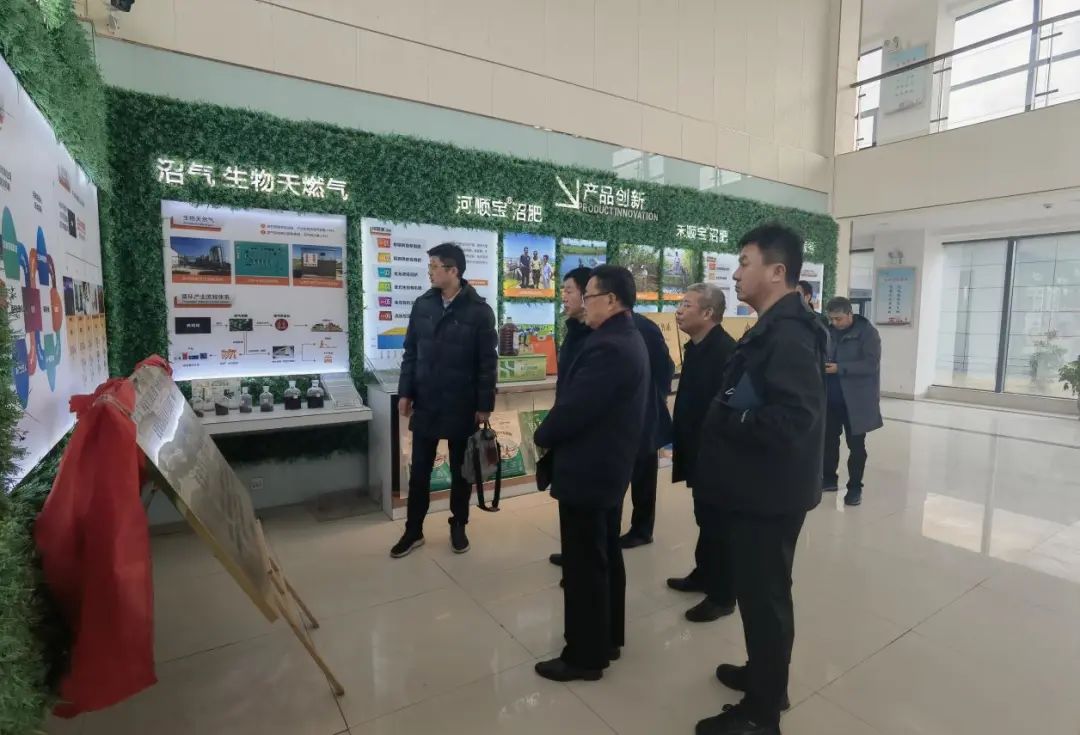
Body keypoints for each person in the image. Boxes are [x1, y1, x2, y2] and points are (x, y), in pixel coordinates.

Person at [695, 225, 826, 735]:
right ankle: (765, 677)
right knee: (758, 593)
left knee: (766, 597)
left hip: (770, 494)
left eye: (745, 262)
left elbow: (796, 418)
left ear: (777, 271)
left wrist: (734, 420)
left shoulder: (789, 333)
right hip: (759, 487)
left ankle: (761, 713)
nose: (735, 273)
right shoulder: (774, 325)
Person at [533, 265, 648, 683]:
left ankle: (584, 656)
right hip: (607, 467)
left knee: (584, 566)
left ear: (611, 300)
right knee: (604, 556)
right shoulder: (625, 336)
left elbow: (575, 409)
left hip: (589, 470)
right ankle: (607, 639)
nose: (583, 303)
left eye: (589, 296)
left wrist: (542, 435)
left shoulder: (608, 347)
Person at [391, 243, 497, 558]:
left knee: (461, 471)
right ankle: (413, 530)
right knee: (419, 472)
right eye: (430, 267)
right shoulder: (423, 305)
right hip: (427, 401)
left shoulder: (479, 311)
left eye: (434, 266)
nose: (430, 272)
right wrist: (405, 392)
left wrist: (484, 405)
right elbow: (410, 352)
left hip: (462, 403)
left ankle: (458, 524)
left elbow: (487, 364)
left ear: (453, 270)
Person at [666, 283, 738, 623]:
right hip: (697, 449)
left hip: (718, 455)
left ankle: (723, 596)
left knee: (718, 523)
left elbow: (728, 410)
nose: (679, 311)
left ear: (708, 313)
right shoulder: (696, 347)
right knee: (704, 517)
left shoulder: (726, 352)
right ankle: (704, 573)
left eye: (687, 305)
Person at [548, 267, 594, 571]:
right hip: (568, 432)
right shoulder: (574, 331)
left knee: (584, 507)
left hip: (585, 437)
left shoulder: (597, 338)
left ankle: (581, 565)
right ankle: (572, 555)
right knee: (568, 502)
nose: (563, 296)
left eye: (568, 291)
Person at [620, 310, 674, 548]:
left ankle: (642, 529)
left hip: (643, 413)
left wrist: (655, 396)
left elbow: (665, 366)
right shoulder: (599, 326)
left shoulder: (643, 327)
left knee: (643, 475)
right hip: (617, 418)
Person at [823, 296, 883, 507]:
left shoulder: (868, 333)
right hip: (831, 399)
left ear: (850, 314)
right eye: (831, 319)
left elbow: (871, 365)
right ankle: (828, 480)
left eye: (838, 319)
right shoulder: (828, 331)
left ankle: (855, 488)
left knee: (856, 446)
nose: (834, 323)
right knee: (829, 442)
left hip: (856, 401)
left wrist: (840, 368)